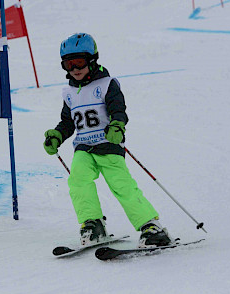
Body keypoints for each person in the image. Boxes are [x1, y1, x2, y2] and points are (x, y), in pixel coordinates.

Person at [43, 33, 172, 248]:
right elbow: (67, 122)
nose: (74, 69)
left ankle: (151, 227)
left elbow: (118, 110)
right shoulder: (69, 93)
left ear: (92, 60)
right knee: (78, 181)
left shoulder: (107, 84)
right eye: (68, 64)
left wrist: (117, 126)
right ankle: (93, 224)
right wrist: (57, 136)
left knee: (121, 186)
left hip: (108, 145)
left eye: (79, 62)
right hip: (83, 148)